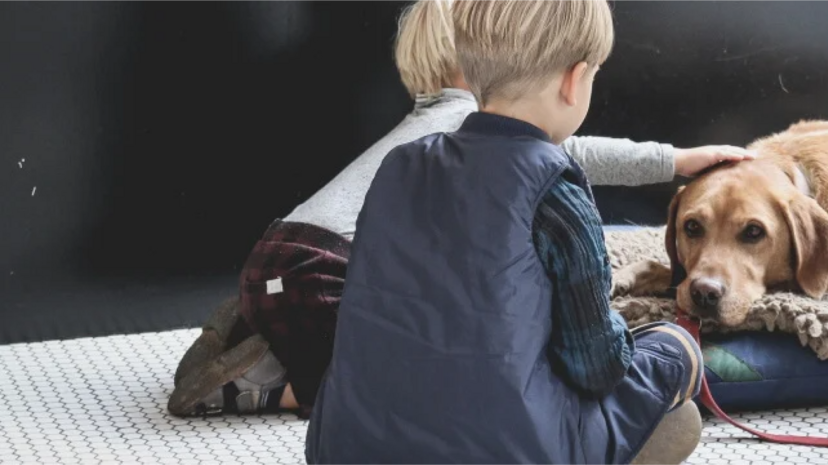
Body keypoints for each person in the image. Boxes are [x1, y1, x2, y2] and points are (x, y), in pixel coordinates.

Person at [167, 0, 748, 424]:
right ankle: (259, 388)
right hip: (323, 267)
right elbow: (575, 153)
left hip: (282, 257)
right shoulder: (471, 127)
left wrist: (677, 160)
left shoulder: (424, 129)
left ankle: (256, 328)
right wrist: (674, 159)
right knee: (378, 382)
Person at [300, 0, 712, 463]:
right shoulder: (556, 188)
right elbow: (597, 367)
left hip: (348, 445)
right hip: (507, 449)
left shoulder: (401, 165)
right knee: (672, 353)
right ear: (575, 81)